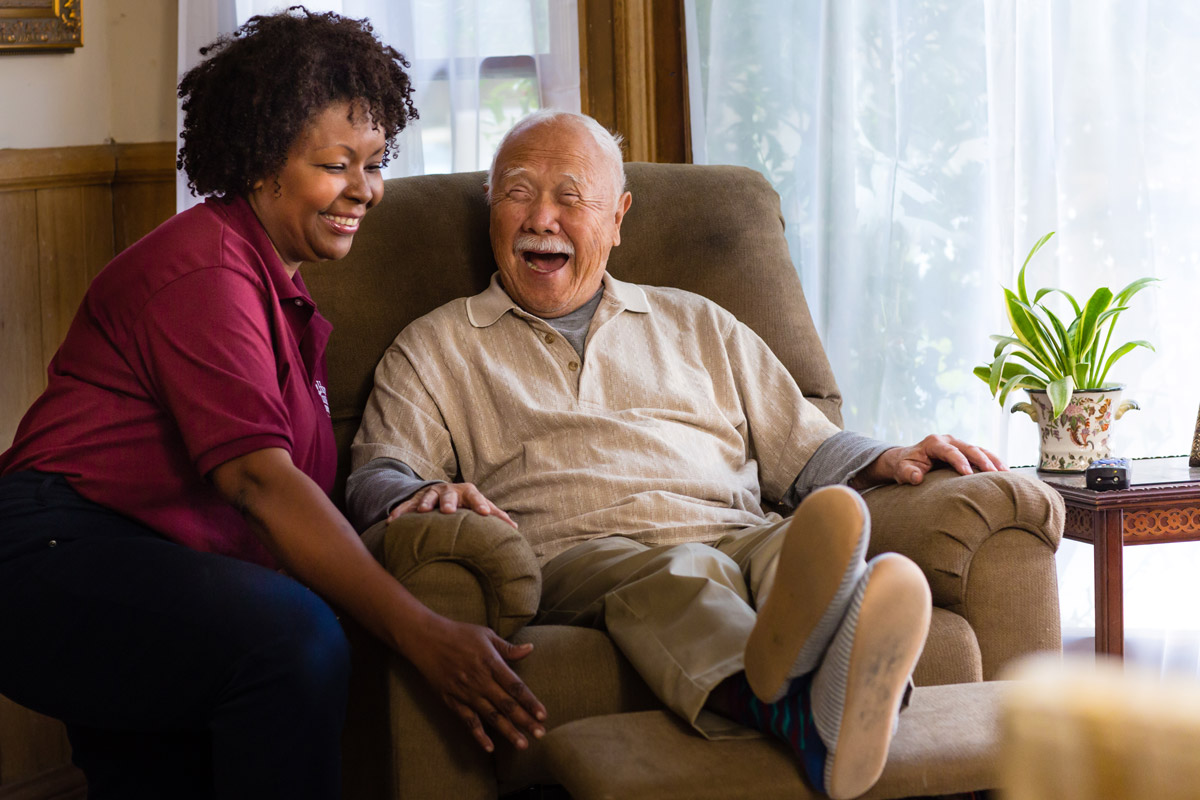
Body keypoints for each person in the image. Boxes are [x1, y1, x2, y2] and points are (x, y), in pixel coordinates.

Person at [346, 109, 1008, 799]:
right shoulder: (438, 345)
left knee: (801, 545)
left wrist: (890, 456)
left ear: (618, 218)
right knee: (683, 569)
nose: (541, 218)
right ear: (492, 208)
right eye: (517, 192)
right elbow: (376, 473)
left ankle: (840, 676)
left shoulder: (698, 322)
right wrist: (413, 494)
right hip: (582, 554)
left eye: (570, 197)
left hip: (740, 532)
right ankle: (792, 712)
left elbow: (805, 448)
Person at [0, 9, 545, 799]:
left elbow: (304, 497)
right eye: (337, 164)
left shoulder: (274, 292)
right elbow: (260, 483)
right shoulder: (206, 271)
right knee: (295, 640)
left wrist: (414, 497)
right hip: (53, 557)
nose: (366, 189)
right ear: (262, 164)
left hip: (154, 561)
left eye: (376, 161)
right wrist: (424, 634)